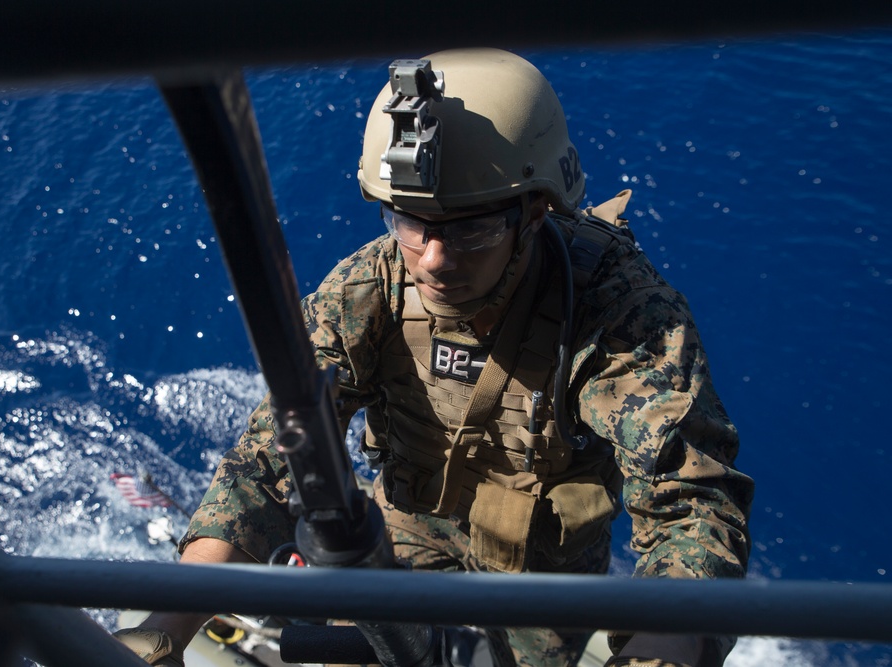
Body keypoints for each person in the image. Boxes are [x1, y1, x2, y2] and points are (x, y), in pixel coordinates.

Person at [114, 48, 754, 667]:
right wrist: (164, 628)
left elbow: (689, 499)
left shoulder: (619, 312)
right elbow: (271, 459)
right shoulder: (370, 289)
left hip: (543, 564)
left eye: (470, 229)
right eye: (410, 222)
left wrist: (663, 650)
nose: (434, 260)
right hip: (407, 525)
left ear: (536, 212)